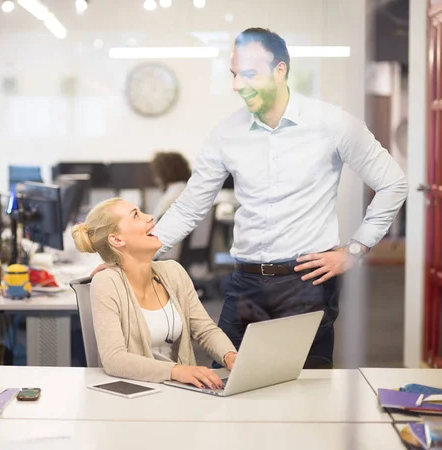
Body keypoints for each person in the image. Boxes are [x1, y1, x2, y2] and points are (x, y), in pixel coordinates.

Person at [94, 28, 409, 369]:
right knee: (227, 384)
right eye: (233, 75)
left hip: (306, 282)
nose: (236, 85)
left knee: (307, 395)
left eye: (248, 74)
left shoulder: (332, 124)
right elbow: (189, 206)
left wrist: (355, 250)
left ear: (280, 70)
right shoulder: (225, 134)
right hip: (245, 282)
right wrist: (126, 258)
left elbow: (393, 183)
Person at [72, 198, 237, 387]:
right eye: (136, 215)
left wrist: (229, 355)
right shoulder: (107, 282)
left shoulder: (173, 271)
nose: (150, 217)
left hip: (180, 390)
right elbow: (114, 358)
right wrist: (175, 371)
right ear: (116, 239)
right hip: (135, 394)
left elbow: (205, 330)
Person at [150, 151, 191, 220]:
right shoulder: (186, 190)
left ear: (162, 174)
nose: (155, 180)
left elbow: (155, 224)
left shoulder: (170, 197)